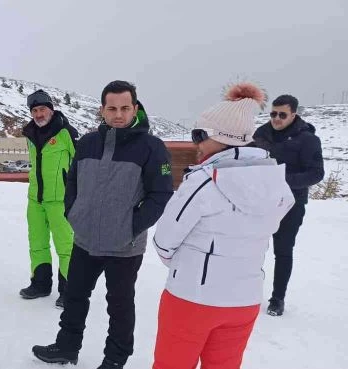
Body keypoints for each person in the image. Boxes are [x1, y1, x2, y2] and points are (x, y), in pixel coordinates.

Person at [152, 82, 295, 369]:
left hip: (192, 298)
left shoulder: (203, 181)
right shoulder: (275, 181)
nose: (196, 143)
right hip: (244, 301)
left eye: (199, 135)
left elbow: (164, 241)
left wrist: (188, 263)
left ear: (222, 136)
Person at [33, 81, 173, 369]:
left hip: (125, 246)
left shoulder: (151, 147)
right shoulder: (87, 143)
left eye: (124, 108)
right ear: (102, 110)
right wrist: (74, 213)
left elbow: (160, 195)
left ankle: (114, 359)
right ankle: (66, 347)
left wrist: (131, 227)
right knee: (74, 296)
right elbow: (71, 181)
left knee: (119, 305)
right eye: (112, 108)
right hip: (85, 239)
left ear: (135, 108)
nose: (118, 114)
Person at [252, 94, 324, 316]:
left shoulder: (308, 139)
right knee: (251, 249)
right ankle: (247, 294)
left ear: (294, 114)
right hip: (261, 202)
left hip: (291, 203)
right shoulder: (260, 134)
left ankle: (277, 298)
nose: (276, 118)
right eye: (273, 113)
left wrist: (283, 180)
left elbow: (316, 173)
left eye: (282, 114)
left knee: (283, 252)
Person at [20, 90, 79, 308]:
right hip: (35, 200)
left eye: (42, 109)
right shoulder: (30, 134)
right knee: (37, 243)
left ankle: (69, 291)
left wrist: (76, 193)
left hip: (60, 200)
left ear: (51, 110)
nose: (38, 114)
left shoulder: (66, 133)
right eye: (34, 110)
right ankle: (40, 284)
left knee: (65, 246)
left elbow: (81, 163)